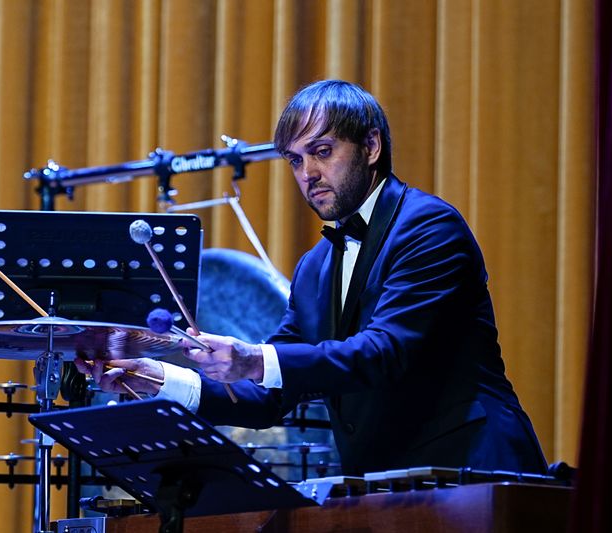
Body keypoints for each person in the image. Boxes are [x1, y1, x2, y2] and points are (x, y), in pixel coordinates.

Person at [76, 79, 547, 476]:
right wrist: (156, 377)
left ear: (371, 147)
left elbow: (385, 352)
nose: (309, 174)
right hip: (390, 484)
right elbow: (267, 398)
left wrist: (253, 358)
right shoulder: (314, 267)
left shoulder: (428, 227)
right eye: (296, 160)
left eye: (322, 151)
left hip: (476, 469)